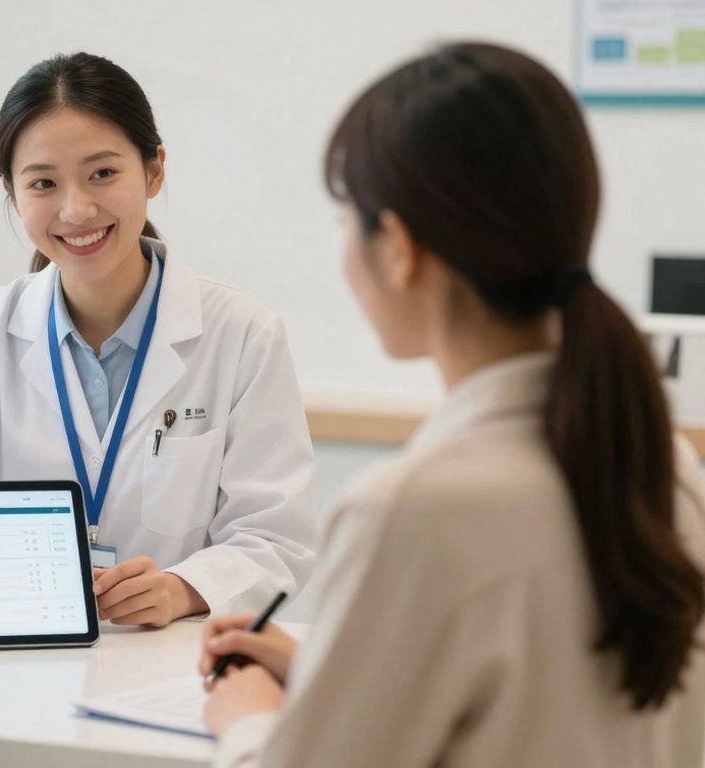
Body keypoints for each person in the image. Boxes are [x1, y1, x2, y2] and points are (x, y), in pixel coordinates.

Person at [200, 42, 705, 767]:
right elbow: (545, 719)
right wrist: (328, 670)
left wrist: (250, 722)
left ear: (398, 247)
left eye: (349, 219)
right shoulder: (664, 468)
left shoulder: (412, 512)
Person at [0, 52, 316, 626]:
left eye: (103, 173)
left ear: (154, 170)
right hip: (19, 648)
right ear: (12, 192)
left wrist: (182, 588)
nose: (76, 209)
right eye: (43, 183)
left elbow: (277, 537)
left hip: (175, 662)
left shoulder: (242, 333)